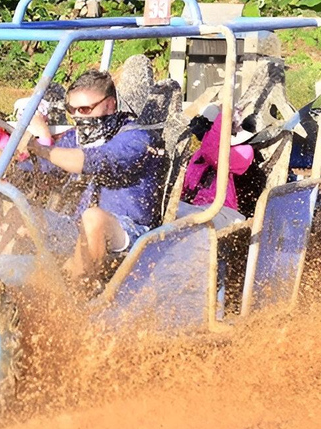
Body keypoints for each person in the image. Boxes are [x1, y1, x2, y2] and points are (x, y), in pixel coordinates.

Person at [25, 70, 165, 279]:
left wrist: (42, 148)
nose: (77, 116)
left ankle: (77, 294)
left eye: (85, 109)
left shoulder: (137, 138)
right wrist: (14, 174)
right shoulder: (75, 138)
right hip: (76, 225)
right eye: (71, 109)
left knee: (93, 219)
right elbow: (44, 169)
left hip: (131, 232)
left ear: (110, 105)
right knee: (21, 212)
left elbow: (97, 161)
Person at [177, 103, 255, 229]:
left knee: (192, 221)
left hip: (224, 212)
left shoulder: (244, 151)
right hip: (197, 208)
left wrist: (223, 117)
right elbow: (186, 187)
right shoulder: (198, 155)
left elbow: (213, 155)